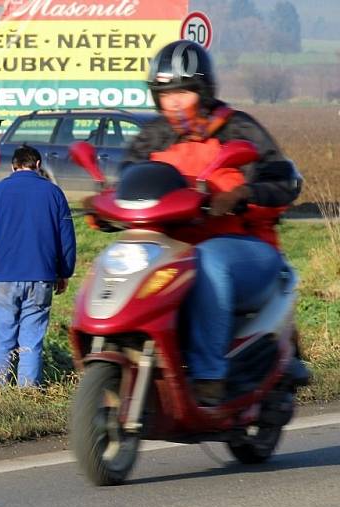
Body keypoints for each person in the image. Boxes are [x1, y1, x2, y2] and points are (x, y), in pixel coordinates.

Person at [124, 40, 301, 406]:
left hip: (249, 250)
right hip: (174, 250)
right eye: (165, 94)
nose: (173, 103)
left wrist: (241, 194)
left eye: (182, 92)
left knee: (209, 260)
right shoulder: (155, 135)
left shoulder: (237, 128)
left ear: (203, 91)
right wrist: (107, 203)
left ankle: (208, 376)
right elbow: (129, 178)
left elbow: (284, 180)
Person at [0, 145, 77, 394]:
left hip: (2, 278)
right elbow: (67, 238)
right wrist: (64, 272)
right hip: (41, 277)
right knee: (31, 340)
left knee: (0, 339)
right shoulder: (54, 193)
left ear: (13, 166)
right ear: (38, 165)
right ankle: (27, 393)